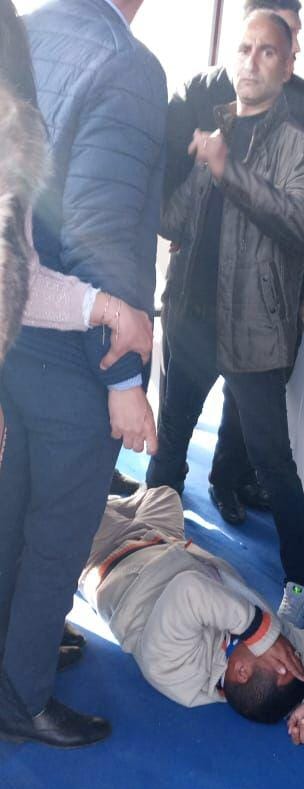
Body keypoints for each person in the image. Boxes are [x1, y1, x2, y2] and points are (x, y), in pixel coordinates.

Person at [0, 0, 167, 749]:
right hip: (75, 353)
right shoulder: (126, 63)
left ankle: (14, 658)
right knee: (58, 537)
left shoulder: (29, 29)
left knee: (11, 519)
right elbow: (103, 234)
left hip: (16, 334)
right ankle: (21, 696)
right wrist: (124, 379)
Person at [157, 0, 304, 526]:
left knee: (251, 432)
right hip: (194, 299)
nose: (289, 46)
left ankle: (227, 481)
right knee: (172, 430)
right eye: (254, 43)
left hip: (260, 308)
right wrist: (172, 221)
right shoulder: (199, 92)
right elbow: (168, 179)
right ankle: (157, 529)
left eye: (281, 42)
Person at [146, 10, 304, 628]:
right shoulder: (214, 127)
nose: (251, 61)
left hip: (254, 329)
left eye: (267, 51)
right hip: (191, 318)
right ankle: (150, 554)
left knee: (272, 462)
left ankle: (301, 584)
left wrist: (230, 171)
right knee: (170, 444)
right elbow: (176, 219)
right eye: (244, 48)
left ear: (289, 63)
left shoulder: (299, 145)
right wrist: (147, 183)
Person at [79, 486, 304, 739]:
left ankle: (103, 503)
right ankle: (111, 502)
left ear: (241, 671)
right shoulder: (279, 649)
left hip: (108, 555)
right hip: (168, 543)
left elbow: (188, 590)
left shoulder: (178, 671)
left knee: (79, 494)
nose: (286, 650)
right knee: (164, 494)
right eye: (294, 656)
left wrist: (260, 632)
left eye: (283, 658)